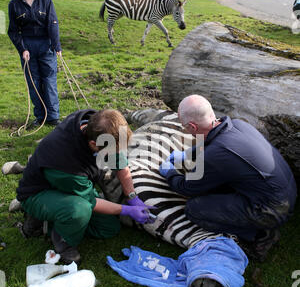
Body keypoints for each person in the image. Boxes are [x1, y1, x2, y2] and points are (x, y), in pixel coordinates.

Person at [159, 94, 297, 262]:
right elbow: (213, 142)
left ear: (193, 127)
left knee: (194, 209)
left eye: (184, 126)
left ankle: (259, 237)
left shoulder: (216, 155)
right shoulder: (237, 124)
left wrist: (170, 172)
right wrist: (189, 154)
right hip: (286, 193)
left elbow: (186, 187)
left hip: (272, 209)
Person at [16, 108, 153, 264]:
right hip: (39, 193)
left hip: (69, 185)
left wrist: (132, 196)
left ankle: (53, 220)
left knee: (109, 228)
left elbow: (120, 161)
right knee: (79, 210)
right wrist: (126, 210)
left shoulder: (97, 127)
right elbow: (91, 202)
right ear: (93, 144)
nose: (115, 154)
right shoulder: (66, 161)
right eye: (111, 152)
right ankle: (62, 240)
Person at [8, 0, 61, 127]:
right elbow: (13, 31)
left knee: (50, 81)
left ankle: (53, 117)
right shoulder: (14, 5)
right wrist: (22, 49)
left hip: (46, 45)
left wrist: (56, 45)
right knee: (34, 82)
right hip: (27, 48)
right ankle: (40, 116)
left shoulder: (46, 0)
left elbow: (53, 24)